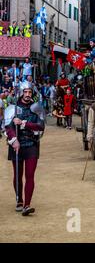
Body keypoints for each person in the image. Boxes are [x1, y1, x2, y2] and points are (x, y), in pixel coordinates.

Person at [4, 81, 45, 216]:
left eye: (29, 92)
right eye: (25, 92)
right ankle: (19, 200)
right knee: (17, 174)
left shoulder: (37, 107)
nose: (27, 95)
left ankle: (27, 204)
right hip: (16, 145)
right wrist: (14, 140)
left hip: (31, 144)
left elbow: (40, 126)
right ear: (21, 93)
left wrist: (24, 123)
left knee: (30, 175)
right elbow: (7, 127)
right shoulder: (12, 108)